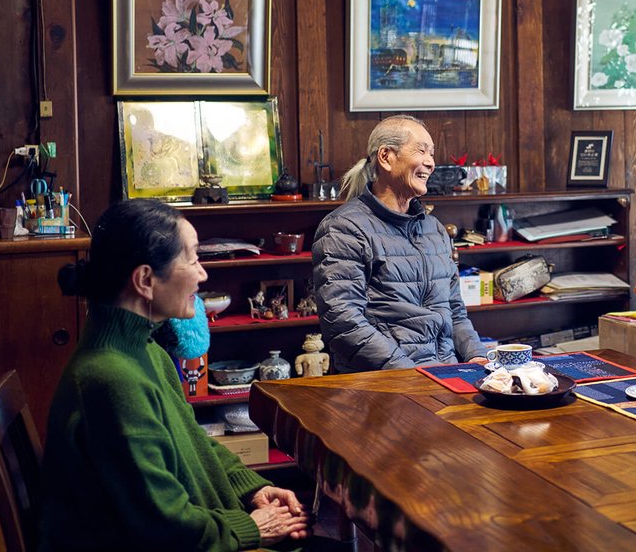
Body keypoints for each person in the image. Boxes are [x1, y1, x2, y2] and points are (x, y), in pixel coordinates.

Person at [40, 199, 309, 551]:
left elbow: (192, 443)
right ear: (146, 280)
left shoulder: (145, 351)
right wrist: (251, 526)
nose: (203, 274)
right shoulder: (111, 378)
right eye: (193, 258)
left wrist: (250, 487)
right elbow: (163, 526)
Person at [313, 115, 488, 373]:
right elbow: (343, 322)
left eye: (432, 153)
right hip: (385, 384)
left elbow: (455, 311)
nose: (430, 162)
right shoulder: (343, 229)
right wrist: (410, 374)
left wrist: (477, 356)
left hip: (444, 376)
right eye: (421, 150)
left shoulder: (434, 230)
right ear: (385, 157)